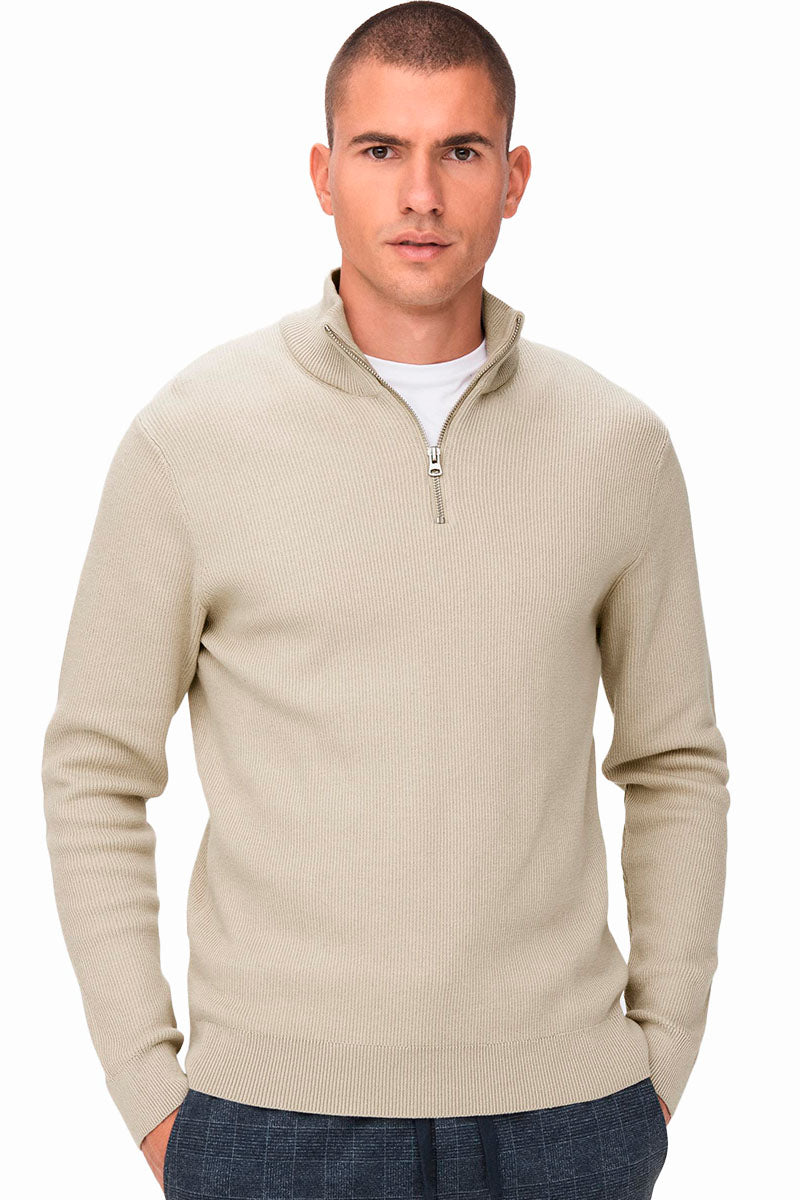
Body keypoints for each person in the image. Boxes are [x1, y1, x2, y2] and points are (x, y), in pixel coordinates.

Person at [41, 4, 729, 1198]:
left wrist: (656, 1064)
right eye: (379, 150)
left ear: (513, 178)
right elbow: (93, 764)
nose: (420, 194)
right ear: (322, 174)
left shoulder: (616, 448)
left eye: (459, 150)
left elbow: (674, 761)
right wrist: (151, 1094)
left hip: (565, 1123)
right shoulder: (190, 440)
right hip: (272, 1127)